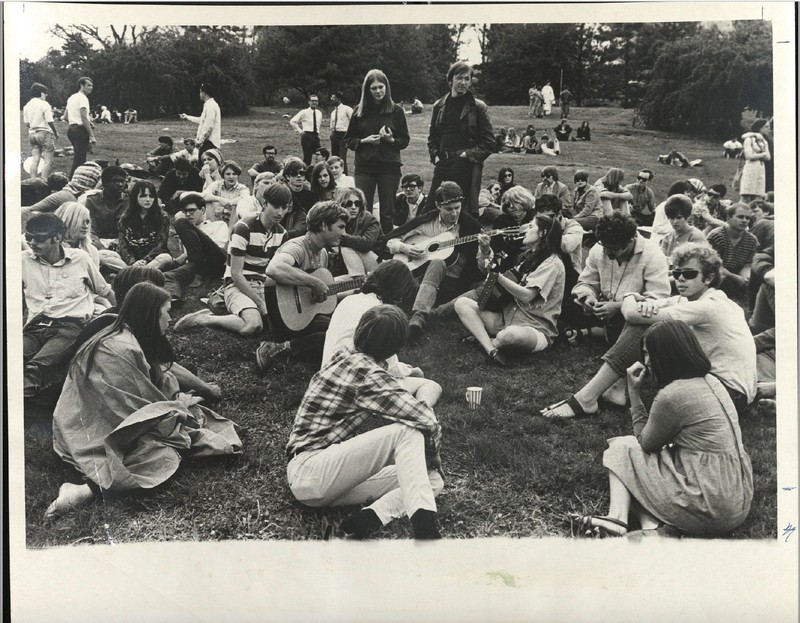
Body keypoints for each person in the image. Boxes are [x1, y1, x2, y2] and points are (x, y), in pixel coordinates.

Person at [45, 282, 241, 518]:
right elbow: (128, 413)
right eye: (166, 312)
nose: (170, 319)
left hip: (85, 423)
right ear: (151, 314)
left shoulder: (122, 334)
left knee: (176, 427)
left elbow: (152, 381)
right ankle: (84, 490)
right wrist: (176, 408)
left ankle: (87, 489)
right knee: (164, 451)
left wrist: (178, 399)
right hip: (91, 430)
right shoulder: (121, 348)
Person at [572, 320, 753, 538]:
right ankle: (652, 527)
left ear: (665, 356)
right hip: (737, 500)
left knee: (622, 447)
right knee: (649, 466)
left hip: (708, 505)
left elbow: (644, 443)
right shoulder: (712, 381)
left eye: (649, 354)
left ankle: (617, 518)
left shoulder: (672, 395)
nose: (646, 361)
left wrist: (634, 393)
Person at [544, 242, 755, 419]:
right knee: (647, 322)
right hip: (719, 389)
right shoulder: (690, 299)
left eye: (689, 274)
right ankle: (614, 391)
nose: (680, 279)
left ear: (708, 278)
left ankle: (587, 398)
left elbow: (632, 315)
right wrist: (641, 301)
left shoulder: (709, 306)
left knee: (642, 323)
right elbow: (650, 306)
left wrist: (629, 297)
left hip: (727, 395)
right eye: (677, 273)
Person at [286, 305, 444, 540]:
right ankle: (425, 528)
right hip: (312, 471)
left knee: (431, 480)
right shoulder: (367, 373)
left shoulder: (348, 355)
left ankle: (372, 516)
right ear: (395, 348)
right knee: (407, 432)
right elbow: (427, 421)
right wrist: (431, 456)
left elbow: (417, 390)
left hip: (327, 480)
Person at [553, 212, 670, 368]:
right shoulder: (599, 249)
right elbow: (585, 282)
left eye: (612, 249)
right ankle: (597, 331)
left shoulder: (653, 255)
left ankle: (592, 332)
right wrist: (588, 298)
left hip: (630, 318)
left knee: (644, 327)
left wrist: (619, 307)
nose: (607, 253)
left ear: (629, 241)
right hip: (601, 311)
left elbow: (658, 301)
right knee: (562, 302)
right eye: (604, 247)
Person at [174, 184, 291, 338]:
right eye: (275, 206)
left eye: (284, 207)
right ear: (264, 204)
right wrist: (261, 303)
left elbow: (274, 271)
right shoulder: (244, 228)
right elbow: (236, 274)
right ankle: (206, 319)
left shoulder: (282, 234)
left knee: (284, 325)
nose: (280, 212)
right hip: (237, 285)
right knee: (253, 326)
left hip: (263, 285)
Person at [22, 213, 115, 399]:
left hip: (69, 326)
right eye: (28, 237)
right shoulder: (22, 261)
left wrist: (118, 320)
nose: (32, 243)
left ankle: (26, 393)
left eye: (39, 238)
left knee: (37, 366)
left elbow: (105, 292)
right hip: (35, 326)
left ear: (57, 238)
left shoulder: (80, 259)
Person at [455, 214, 565, 366]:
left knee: (510, 335)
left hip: (534, 328)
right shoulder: (528, 257)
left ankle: (486, 339)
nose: (526, 229)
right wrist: (485, 250)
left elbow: (527, 295)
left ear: (543, 233)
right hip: (506, 319)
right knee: (461, 303)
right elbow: (491, 275)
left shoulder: (552, 264)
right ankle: (491, 349)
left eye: (531, 226)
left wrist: (497, 276)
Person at [322, 260, 439, 397]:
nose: (401, 300)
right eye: (402, 295)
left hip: (326, 376)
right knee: (430, 385)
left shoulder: (348, 301)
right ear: (397, 291)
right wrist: (411, 370)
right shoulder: (380, 315)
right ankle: (422, 412)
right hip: (353, 384)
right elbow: (389, 365)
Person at [381, 181, 483, 338]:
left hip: (452, 284)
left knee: (438, 262)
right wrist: (405, 248)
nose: (455, 213)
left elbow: (476, 265)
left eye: (458, 207)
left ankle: (418, 315)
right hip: (419, 279)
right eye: (449, 209)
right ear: (437, 206)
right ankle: (419, 312)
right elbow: (390, 241)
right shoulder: (426, 222)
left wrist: (485, 248)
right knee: (435, 262)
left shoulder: (470, 227)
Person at [257, 201, 352, 369]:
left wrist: (356, 290)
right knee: (333, 338)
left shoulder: (322, 252)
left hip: (306, 317)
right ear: (324, 225)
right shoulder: (297, 246)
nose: (344, 233)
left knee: (345, 331)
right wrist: (314, 282)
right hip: (286, 320)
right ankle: (279, 348)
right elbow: (274, 268)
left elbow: (319, 294)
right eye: (341, 227)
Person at [425, 61, 495, 218]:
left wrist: (467, 156)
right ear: (450, 80)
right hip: (442, 163)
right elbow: (433, 137)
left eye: (467, 79)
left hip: (465, 165)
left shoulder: (478, 107)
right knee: (431, 209)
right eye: (459, 78)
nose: (463, 83)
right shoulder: (439, 105)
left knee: (461, 213)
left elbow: (489, 143)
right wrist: (435, 156)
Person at [345, 69, 410, 227]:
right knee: (362, 210)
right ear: (367, 90)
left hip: (389, 167)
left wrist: (391, 140)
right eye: (373, 88)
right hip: (365, 167)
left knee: (387, 212)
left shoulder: (396, 111)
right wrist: (363, 141)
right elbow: (349, 140)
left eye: (380, 87)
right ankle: (362, 242)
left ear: (386, 87)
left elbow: (405, 140)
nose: (378, 91)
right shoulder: (359, 112)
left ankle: (386, 246)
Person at [162, 193, 228, 304]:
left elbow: (219, 247)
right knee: (168, 276)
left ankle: (195, 274)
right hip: (197, 264)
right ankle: (172, 299)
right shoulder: (186, 231)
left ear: (202, 210)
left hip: (215, 261)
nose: (188, 214)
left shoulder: (218, 225)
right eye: (185, 211)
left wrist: (186, 255)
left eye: (191, 210)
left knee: (180, 222)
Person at [117, 180, 173, 270]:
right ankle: (139, 271)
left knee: (166, 258)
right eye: (143, 196)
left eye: (151, 196)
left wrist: (145, 260)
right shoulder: (126, 217)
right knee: (103, 255)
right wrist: (132, 261)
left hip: (152, 259)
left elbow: (160, 245)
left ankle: (132, 272)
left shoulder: (162, 217)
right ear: (135, 197)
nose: (148, 199)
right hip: (131, 260)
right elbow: (122, 244)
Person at [706, 203, 757, 300]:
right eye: (740, 217)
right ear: (729, 218)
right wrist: (735, 277)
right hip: (716, 274)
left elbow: (747, 264)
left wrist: (745, 276)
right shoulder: (716, 236)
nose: (744, 220)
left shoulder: (751, 240)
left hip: (736, 274)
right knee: (723, 280)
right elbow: (712, 265)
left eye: (747, 218)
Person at [23, 162, 103, 222]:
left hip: (66, 193)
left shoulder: (81, 167)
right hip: (79, 198)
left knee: (33, 209)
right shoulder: (99, 171)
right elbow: (97, 188)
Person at [332, 186, 382, 276]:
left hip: (378, 264)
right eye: (349, 203)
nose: (353, 207)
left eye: (357, 203)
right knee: (334, 282)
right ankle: (356, 281)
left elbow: (367, 244)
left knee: (346, 247)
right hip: (355, 267)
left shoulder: (369, 219)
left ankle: (358, 280)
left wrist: (342, 237)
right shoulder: (340, 221)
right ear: (342, 205)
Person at [23, 82, 59, 179]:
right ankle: (43, 181)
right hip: (44, 133)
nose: (46, 95)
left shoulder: (27, 105)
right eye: (45, 92)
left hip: (32, 134)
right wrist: (55, 133)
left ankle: (33, 181)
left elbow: (27, 123)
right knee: (48, 160)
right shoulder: (44, 104)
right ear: (40, 93)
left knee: (35, 160)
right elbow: (50, 121)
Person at [64, 77, 96, 177]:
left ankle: (73, 181)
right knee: (80, 160)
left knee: (78, 157)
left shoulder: (72, 97)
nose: (91, 88)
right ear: (82, 86)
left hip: (71, 130)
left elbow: (65, 117)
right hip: (80, 132)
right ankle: (73, 182)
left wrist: (75, 121)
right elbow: (84, 117)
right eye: (88, 85)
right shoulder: (83, 98)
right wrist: (91, 135)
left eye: (92, 86)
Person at [180, 82, 222, 159]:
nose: (199, 94)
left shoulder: (210, 106)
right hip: (207, 142)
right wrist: (187, 117)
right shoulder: (208, 105)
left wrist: (200, 141)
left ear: (204, 93)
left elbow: (209, 126)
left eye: (200, 92)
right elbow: (202, 121)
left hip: (209, 143)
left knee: (203, 164)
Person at [659, 194, 707, 261]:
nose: (675, 222)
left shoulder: (696, 236)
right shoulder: (667, 238)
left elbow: (700, 262)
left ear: (687, 217)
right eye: (671, 218)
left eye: (679, 217)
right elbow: (660, 260)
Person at [280, 157, 314, 237]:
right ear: (287, 176)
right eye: (294, 173)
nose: (299, 176)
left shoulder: (312, 197)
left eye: (302, 173)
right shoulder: (282, 195)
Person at [739, 119, 771, 203]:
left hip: (761, 168)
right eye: (766, 127)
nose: (768, 129)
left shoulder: (765, 141)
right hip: (751, 168)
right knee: (746, 196)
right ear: (760, 128)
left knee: (758, 197)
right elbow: (749, 156)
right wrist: (763, 154)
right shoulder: (749, 139)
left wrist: (759, 155)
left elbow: (768, 157)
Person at [290, 93, 323, 166]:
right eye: (312, 101)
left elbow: (318, 124)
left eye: (316, 101)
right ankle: (306, 174)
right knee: (307, 157)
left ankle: (318, 171)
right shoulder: (304, 112)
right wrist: (300, 131)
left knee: (321, 154)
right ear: (309, 102)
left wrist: (317, 133)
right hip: (307, 136)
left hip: (315, 136)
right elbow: (293, 121)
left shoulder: (319, 113)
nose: (314, 102)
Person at [329, 92, 354, 174]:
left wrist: (350, 134)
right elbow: (332, 125)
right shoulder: (333, 112)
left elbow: (354, 121)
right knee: (334, 158)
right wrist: (332, 134)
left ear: (339, 99)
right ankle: (335, 175)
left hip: (343, 135)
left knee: (342, 158)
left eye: (333, 98)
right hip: (334, 135)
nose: (331, 99)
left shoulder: (347, 109)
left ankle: (344, 176)